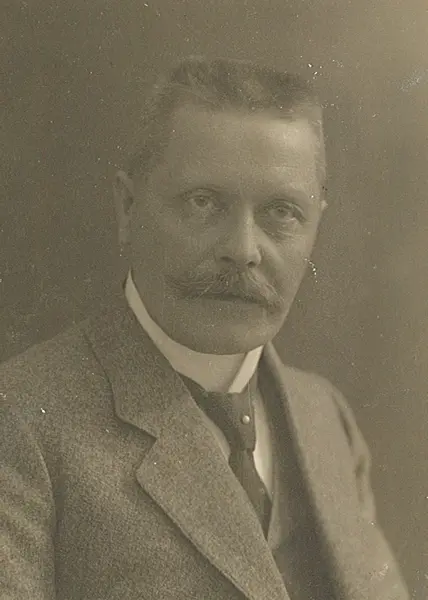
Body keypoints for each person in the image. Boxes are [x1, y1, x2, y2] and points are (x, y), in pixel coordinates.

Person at [0, 56, 409, 600]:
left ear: (317, 224)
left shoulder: (326, 417)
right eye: (203, 202)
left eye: (281, 212)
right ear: (128, 208)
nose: (243, 250)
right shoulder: (21, 422)